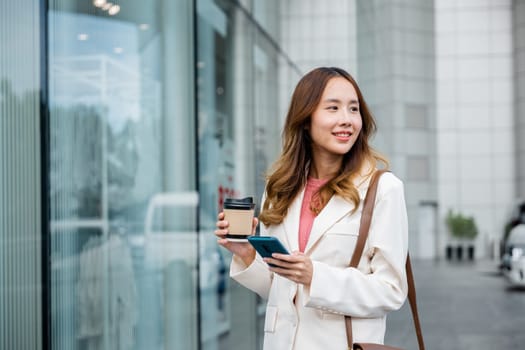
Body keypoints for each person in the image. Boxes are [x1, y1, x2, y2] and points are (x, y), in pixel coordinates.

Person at [215, 67, 408, 349]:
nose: (347, 120)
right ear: (305, 120)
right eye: (333, 108)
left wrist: (315, 276)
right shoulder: (279, 187)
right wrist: (246, 256)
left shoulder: (383, 189)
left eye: (353, 109)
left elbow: (391, 291)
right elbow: (280, 289)